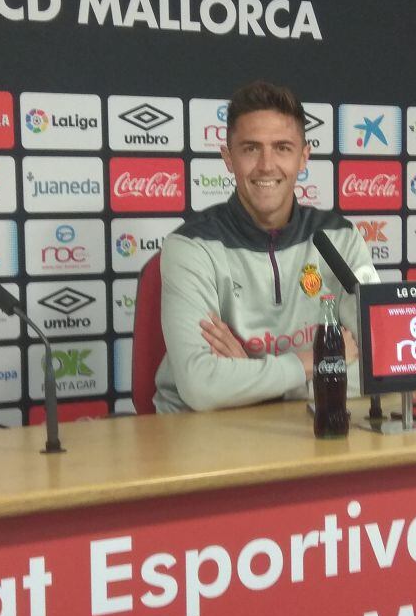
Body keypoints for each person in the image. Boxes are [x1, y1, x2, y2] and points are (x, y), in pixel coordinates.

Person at [154, 80, 379, 413]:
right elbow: (201, 387)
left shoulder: (340, 238)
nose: (266, 165)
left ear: (303, 158)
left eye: (283, 148)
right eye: (250, 149)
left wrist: (254, 382)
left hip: (305, 422)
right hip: (201, 430)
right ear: (228, 158)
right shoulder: (191, 246)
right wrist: (314, 362)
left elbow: (379, 364)